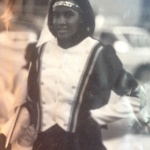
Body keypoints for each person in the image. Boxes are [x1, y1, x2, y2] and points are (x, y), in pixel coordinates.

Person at [1, 0, 149, 150]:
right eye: (56, 15)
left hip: (83, 144)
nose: (60, 22)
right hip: (44, 144)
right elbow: (32, 102)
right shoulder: (40, 52)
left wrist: (99, 116)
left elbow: (138, 96)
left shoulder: (100, 55)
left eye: (68, 15)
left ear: (83, 18)